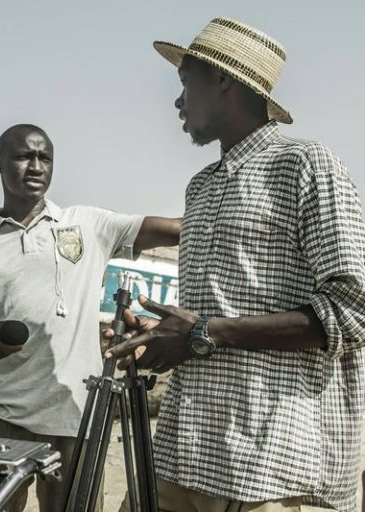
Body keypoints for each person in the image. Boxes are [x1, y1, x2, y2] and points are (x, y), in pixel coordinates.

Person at [106, 17, 365, 512]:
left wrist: (206, 331)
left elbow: (352, 311)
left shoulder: (306, 164)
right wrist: (162, 340)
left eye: (185, 83)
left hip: (266, 465)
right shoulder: (201, 188)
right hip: (183, 450)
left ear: (223, 79)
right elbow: (208, 319)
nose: (177, 102)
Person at [0, 123, 181, 511]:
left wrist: (226, 218)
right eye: (23, 156)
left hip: (75, 414)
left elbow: (175, 230)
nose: (35, 166)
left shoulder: (88, 224)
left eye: (44, 157)